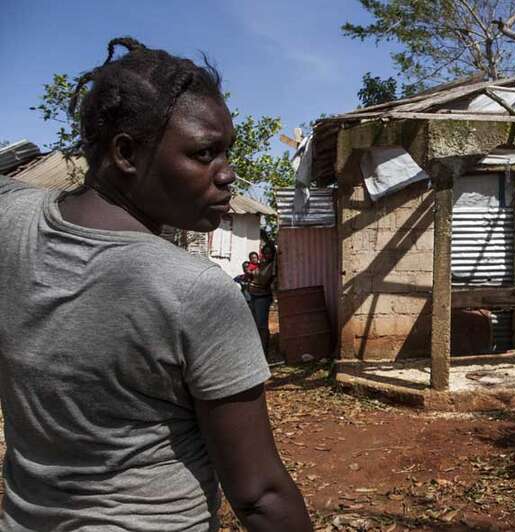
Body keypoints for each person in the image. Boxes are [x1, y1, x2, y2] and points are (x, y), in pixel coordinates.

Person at [0, 38, 311, 531]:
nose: (227, 174)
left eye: (226, 152)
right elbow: (259, 496)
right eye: (204, 153)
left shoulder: (12, 222)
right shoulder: (195, 292)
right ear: (126, 153)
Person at [247, 243, 276, 354]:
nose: (267, 255)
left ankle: (264, 351)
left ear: (273, 254)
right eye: (265, 253)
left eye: (269, 253)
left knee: (262, 325)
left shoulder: (272, 266)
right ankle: (257, 349)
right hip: (253, 295)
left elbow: (264, 280)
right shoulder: (261, 265)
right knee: (254, 324)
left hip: (262, 297)